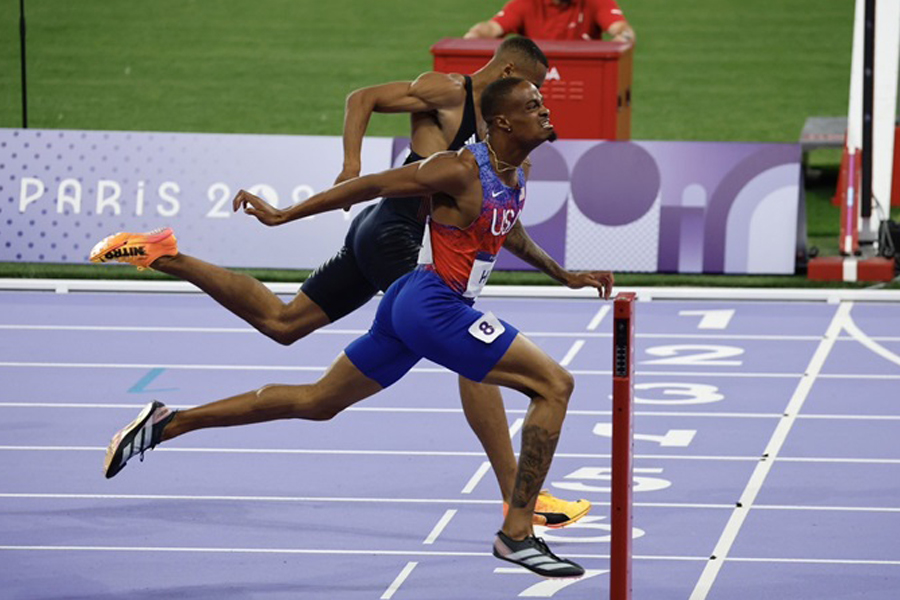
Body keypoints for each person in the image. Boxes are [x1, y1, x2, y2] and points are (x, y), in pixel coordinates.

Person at [104, 77, 613, 577]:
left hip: (411, 306)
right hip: (430, 302)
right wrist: (284, 216)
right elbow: (371, 186)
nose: (547, 112)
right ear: (503, 121)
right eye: (534, 105)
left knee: (316, 401)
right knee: (554, 384)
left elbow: (509, 228)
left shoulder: (517, 170)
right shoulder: (458, 169)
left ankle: (169, 419)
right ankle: (517, 532)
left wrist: (564, 275)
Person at [464, 0, 635, 43]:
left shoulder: (594, 2)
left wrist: (623, 38)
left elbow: (621, 28)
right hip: (536, 81)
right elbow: (493, 28)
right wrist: (475, 34)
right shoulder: (527, 3)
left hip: (581, 76)